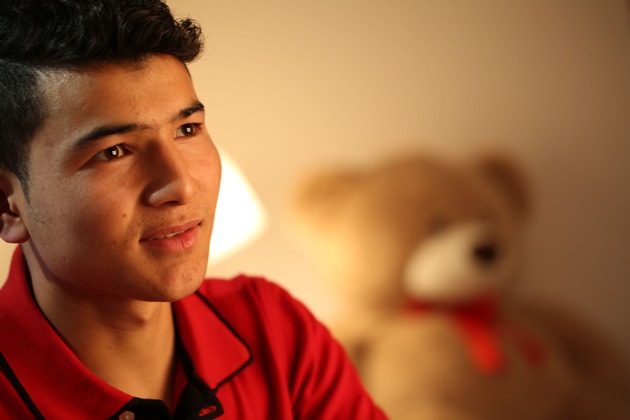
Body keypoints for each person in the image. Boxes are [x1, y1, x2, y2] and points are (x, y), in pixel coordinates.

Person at [0, 1, 386, 418]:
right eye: (114, 151)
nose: (180, 185)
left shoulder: (274, 329)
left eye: (187, 129)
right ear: (8, 205)